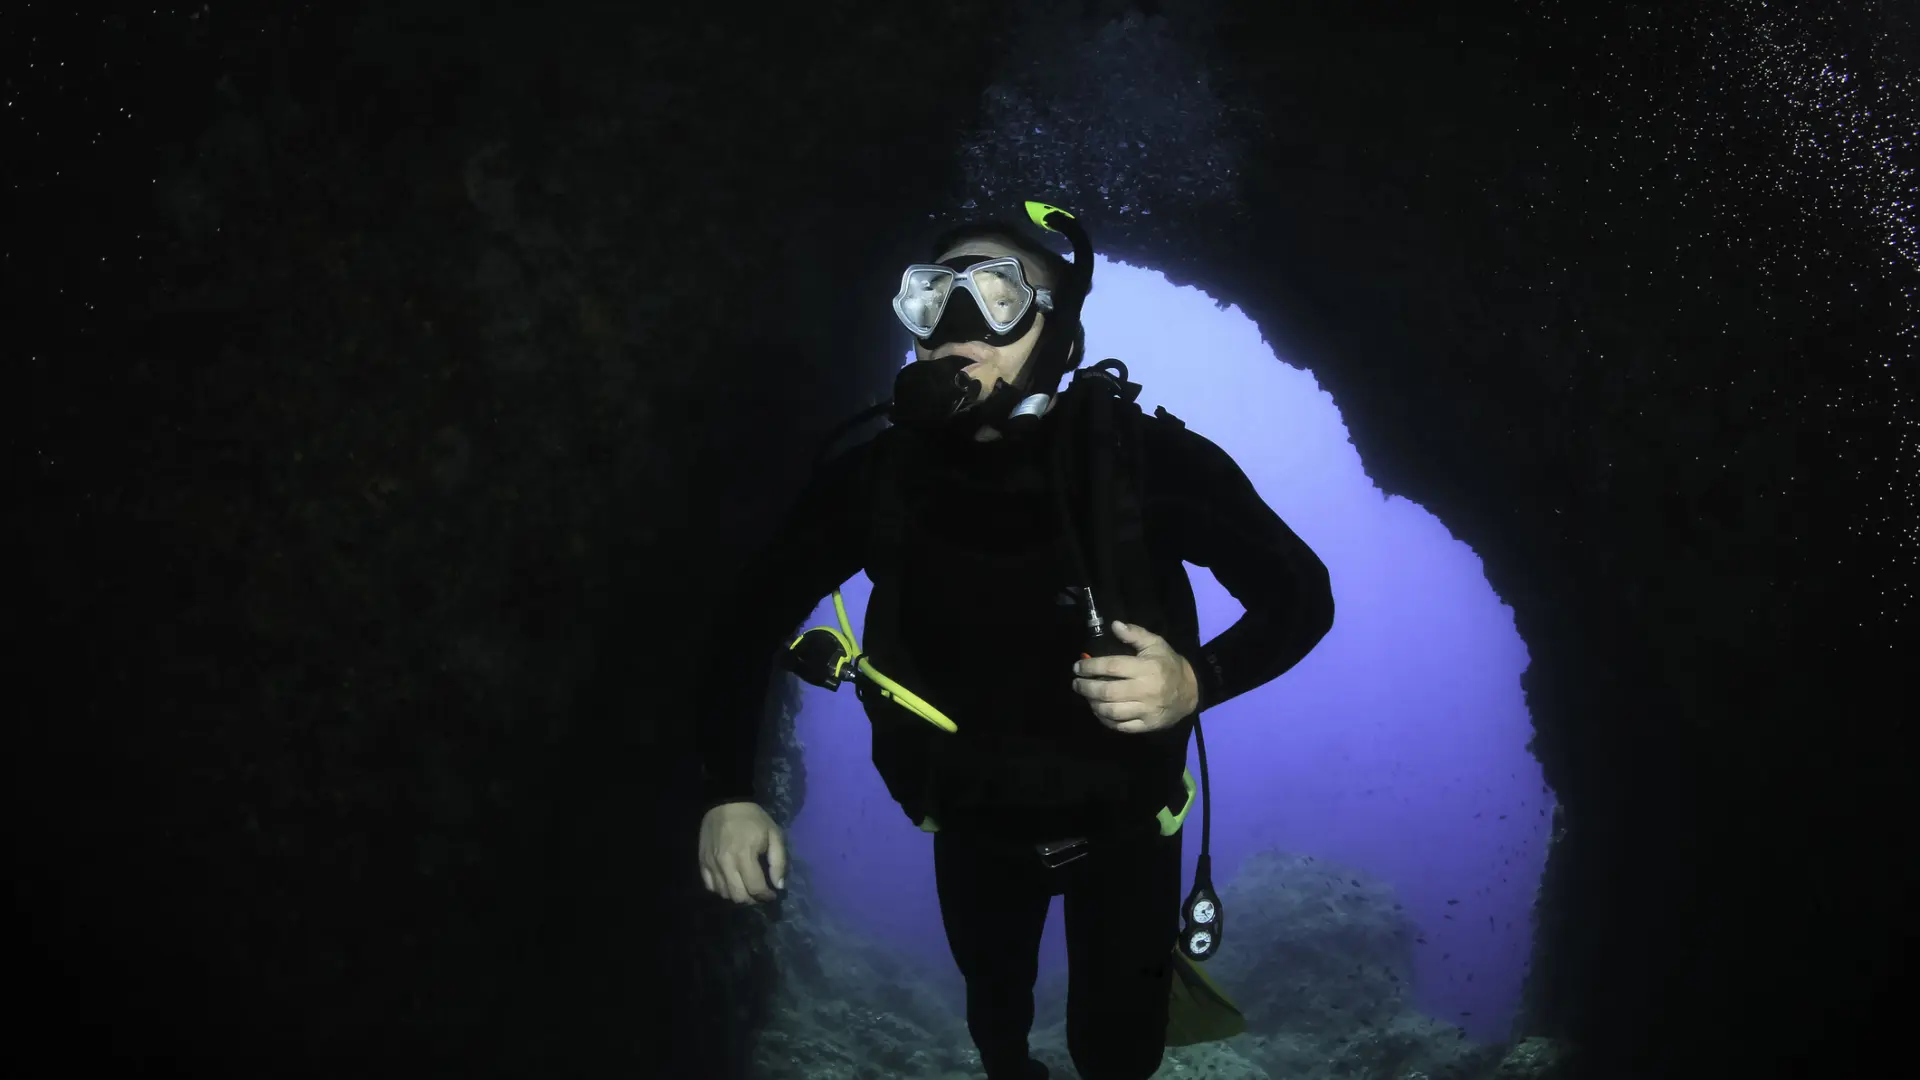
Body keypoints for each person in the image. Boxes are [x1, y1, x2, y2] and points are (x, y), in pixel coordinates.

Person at [694, 204, 1335, 1080]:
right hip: (971, 831)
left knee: (1118, 1052)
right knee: (998, 1027)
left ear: (1058, 335)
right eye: (929, 297)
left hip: (1128, 832)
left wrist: (1196, 680)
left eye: (995, 295)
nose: (955, 324)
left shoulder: (1145, 465)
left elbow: (1301, 595)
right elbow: (745, 618)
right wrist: (729, 794)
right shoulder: (873, 484)